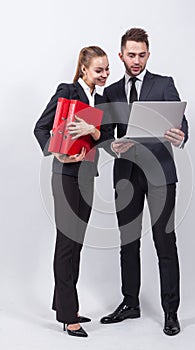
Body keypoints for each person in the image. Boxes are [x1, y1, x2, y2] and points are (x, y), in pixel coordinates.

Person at [100, 28, 189, 336]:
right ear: (121, 54)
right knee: (128, 242)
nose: (136, 60)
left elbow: (181, 123)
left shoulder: (164, 84)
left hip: (161, 174)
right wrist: (114, 146)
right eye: (131, 54)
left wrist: (180, 135)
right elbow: (104, 138)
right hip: (126, 174)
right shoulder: (110, 92)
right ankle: (130, 303)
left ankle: (171, 311)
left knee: (164, 241)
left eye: (141, 55)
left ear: (148, 54)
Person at [34, 46, 110, 337]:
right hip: (66, 175)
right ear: (84, 70)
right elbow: (41, 128)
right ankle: (68, 316)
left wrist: (94, 133)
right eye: (98, 70)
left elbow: (104, 141)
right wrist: (58, 154)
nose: (104, 75)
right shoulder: (67, 91)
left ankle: (65, 305)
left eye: (106, 70)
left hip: (88, 175)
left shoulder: (100, 100)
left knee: (76, 244)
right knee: (66, 243)